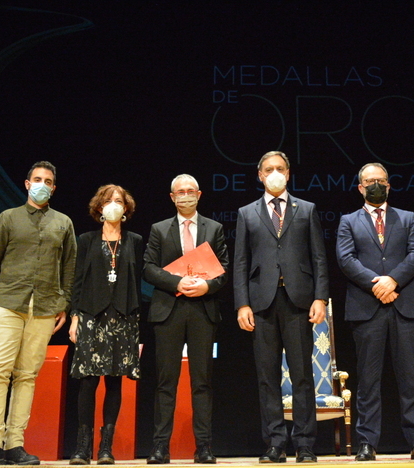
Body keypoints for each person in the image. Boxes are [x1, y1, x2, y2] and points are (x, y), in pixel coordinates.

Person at [0, 161, 77, 466]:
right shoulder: (8, 218)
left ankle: (15, 444)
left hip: (45, 308)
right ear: (27, 183)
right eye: (37, 179)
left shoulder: (63, 223)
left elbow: (69, 268)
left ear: (54, 188)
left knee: (27, 376)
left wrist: (64, 304)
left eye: (48, 181)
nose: (42, 184)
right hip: (8, 303)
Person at [233, 151, 330, 464]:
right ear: (260, 175)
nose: (274, 173)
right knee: (267, 376)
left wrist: (320, 298)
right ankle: (275, 442)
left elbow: (318, 257)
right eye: (268, 169)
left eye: (279, 168)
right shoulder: (247, 213)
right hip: (261, 303)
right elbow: (241, 262)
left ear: (288, 174)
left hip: (299, 300)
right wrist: (242, 304)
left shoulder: (307, 209)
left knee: (302, 375)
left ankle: (305, 444)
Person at [336, 163, 414, 461]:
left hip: (403, 305)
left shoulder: (407, 218)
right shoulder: (348, 221)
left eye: (381, 180)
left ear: (389, 186)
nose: (375, 184)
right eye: (369, 181)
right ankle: (366, 443)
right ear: (360, 188)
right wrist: (376, 283)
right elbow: (345, 257)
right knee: (368, 379)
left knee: (409, 378)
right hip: (367, 308)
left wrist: (393, 280)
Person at [142, 174, 230, 464]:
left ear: (199, 194)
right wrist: (176, 283)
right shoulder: (159, 229)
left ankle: (203, 447)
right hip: (169, 309)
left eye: (190, 191)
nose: (185, 195)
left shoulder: (214, 228)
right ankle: (159, 447)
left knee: (202, 382)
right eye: (180, 192)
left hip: (203, 309)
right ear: (172, 197)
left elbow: (224, 268)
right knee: (166, 382)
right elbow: (148, 268)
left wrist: (206, 286)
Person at [68, 184, 145, 465]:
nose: (114, 204)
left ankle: (105, 448)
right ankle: (82, 448)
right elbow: (76, 281)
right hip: (90, 315)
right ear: (99, 207)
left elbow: (138, 286)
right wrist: (75, 316)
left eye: (119, 201)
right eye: (109, 200)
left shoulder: (135, 240)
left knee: (114, 382)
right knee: (88, 382)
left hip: (123, 318)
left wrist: (139, 333)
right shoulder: (86, 240)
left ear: (126, 209)